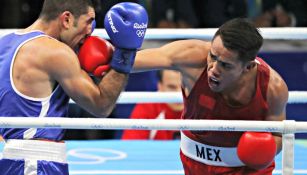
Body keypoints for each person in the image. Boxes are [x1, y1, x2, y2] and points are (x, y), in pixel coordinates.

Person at [0, 0, 148, 175]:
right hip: (37, 163)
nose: (90, 30)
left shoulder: (6, 43)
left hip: (11, 158)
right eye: (88, 21)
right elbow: (101, 105)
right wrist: (125, 53)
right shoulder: (56, 52)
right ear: (67, 19)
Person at [132, 18, 288, 174]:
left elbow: (276, 134)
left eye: (225, 65)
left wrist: (265, 151)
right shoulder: (192, 56)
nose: (213, 69)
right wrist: (118, 53)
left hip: (248, 169)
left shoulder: (272, 88)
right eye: (213, 57)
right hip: (198, 163)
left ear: (248, 66)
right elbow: (134, 62)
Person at [122, 70, 183, 140]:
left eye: (184, 86)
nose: (179, 94)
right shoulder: (146, 106)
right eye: (172, 87)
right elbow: (131, 147)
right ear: (160, 87)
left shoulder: (198, 108)